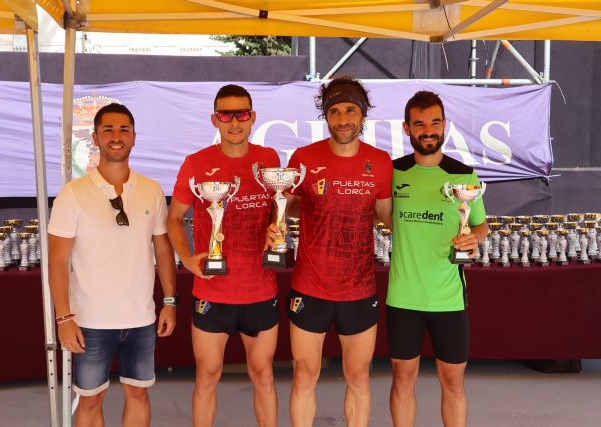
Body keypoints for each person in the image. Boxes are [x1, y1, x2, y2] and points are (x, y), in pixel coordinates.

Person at [269, 76, 393, 427]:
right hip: (311, 286)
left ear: (363, 115)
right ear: (326, 117)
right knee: (305, 376)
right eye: (334, 112)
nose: (342, 119)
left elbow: (387, 218)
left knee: (359, 377)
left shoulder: (380, 162)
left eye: (350, 110)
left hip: (359, 288)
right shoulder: (305, 157)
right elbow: (288, 205)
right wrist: (277, 222)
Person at [48, 103, 177, 427]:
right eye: (108, 130)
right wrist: (64, 317)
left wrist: (170, 301)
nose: (116, 137)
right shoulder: (73, 194)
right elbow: (57, 260)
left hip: (141, 318)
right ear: (95, 138)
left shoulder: (151, 190)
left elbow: (162, 250)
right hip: (90, 320)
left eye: (124, 130)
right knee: (91, 399)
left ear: (134, 138)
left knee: (139, 394)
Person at [167, 84, 280, 427]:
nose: (235, 122)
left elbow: (279, 210)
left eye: (242, 114)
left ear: (253, 117)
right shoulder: (196, 163)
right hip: (212, 292)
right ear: (214, 120)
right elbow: (174, 219)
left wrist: (278, 232)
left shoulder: (270, 159)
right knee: (207, 377)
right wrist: (186, 258)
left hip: (260, 290)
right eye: (226, 115)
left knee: (263, 376)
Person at [387, 91, 489, 427]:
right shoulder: (393, 174)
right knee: (403, 378)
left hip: (449, 298)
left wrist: (475, 239)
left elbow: (480, 225)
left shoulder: (465, 176)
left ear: (444, 125)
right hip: (403, 297)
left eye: (434, 122)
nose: (428, 130)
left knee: (453, 382)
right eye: (419, 124)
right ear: (407, 128)